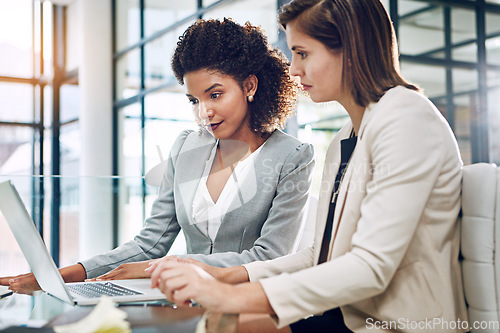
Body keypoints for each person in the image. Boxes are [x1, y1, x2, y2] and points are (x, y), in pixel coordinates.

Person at [146, 1, 468, 332]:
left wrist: (233, 297)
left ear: (350, 48)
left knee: (228, 321)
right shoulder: (348, 135)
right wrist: (227, 275)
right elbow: (323, 252)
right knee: (220, 323)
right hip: (350, 316)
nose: (294, 69)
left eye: (302, 53)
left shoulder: (406, 119)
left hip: (399, 325)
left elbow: (370, 267)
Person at [0, 18, 314, 293]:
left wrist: (165, 266)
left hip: (251, 308)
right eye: (194, 99)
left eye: (215, 94)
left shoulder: (293, 157)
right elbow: (150, 243)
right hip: (185, 301)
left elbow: (269, 257)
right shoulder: (187, 148)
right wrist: (61, 276)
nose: (204, 112)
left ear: (249, 85)